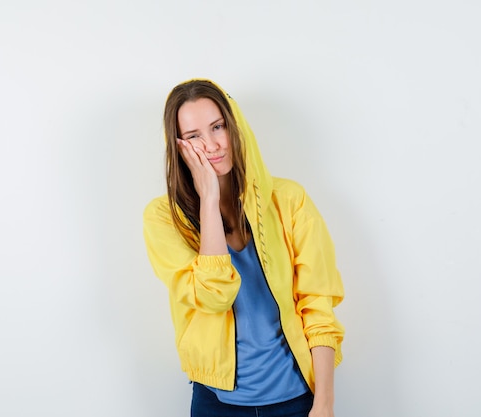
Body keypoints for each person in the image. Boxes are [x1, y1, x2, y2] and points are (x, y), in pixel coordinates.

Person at [143, 79, 345, 417]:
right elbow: (213, 296)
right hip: (216, 404)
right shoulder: (163, 218)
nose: (211, 145)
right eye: (194, 137)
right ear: (179, 147)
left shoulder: (289, 200)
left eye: (218, 126)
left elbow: (317, 304)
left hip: (297, 400)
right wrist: (208, 199)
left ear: (234, 125)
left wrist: (324, 403)